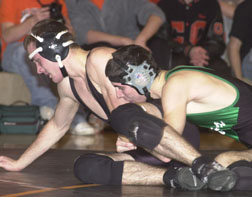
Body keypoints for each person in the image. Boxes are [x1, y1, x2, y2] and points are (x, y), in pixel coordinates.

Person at [0, 19, 238, 192]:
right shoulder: (67, 87)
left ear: (54, 52)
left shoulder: (100, 58)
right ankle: (177, 177)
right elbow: (58, 126)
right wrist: (20, 162)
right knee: (84, 166)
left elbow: (148, 97)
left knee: (125, 116)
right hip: (139, 147)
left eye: (38, 62)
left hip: (170, 132)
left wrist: (135, 134)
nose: (39, 70)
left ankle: (202, 165)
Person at [105, 44, 252, 191]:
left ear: (140, 79)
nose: (119, 96)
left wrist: (136, 136)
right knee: (224, 164)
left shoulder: (176, 85)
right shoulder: (172, 88)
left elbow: (166, 149)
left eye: (120, 88)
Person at [0, 0, 95, 135]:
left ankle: (76, 114)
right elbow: (7, 36)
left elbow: (71, 36)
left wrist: (63, 27)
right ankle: (55, 108)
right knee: (28, 54)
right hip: (15, 51)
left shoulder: (58, 2)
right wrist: (33, 21)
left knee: (66, 53)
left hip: (48, 49)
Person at [64, 0, 168, 68]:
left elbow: (156, 15)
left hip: (133, 54)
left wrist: (141, 39)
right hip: (95, 57)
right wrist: (125, 41)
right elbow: (84, 34)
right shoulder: (73, 2)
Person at [152, 0, 230, 74]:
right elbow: (161, 39)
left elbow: (217, 42)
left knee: (221, 69)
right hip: (174, 56)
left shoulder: (212, 4)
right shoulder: (164, 5)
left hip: (205, 57)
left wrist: (201, 54)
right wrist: (188, 50)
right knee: (174, 66)